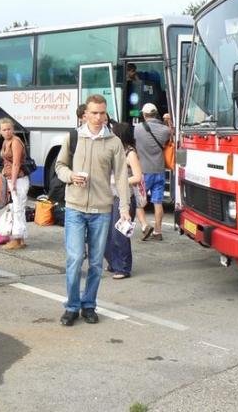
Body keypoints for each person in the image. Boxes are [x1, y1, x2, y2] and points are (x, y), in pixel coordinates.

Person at [55, 94, 131, 326]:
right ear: (85, 114)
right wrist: (70, 176)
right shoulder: (73, 137)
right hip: (75, 208)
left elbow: (120, 176)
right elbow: (59, 166)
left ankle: (89, 305)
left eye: (102, 113)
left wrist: (125, 207)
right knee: (76, 258)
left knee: (96, 263)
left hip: (102, 209)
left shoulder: (114, 142)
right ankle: (71, 306)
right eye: (94, 113)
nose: (99, 117)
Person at [104, 122, 143, 279]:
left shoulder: (130, 153)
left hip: (126, 198)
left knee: (120, 234)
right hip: (110, 197)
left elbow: (138, 176)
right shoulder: (115, 151)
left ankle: (124, 267)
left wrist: (118, 181)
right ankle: (114, 262)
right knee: (107, 234)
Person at [134, 103, 171, 241]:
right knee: (158, 202)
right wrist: (168, 121)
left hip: (143, 171)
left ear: (144, 114)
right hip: (160, 170)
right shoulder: (165, 130)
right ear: (156, 114)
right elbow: (172, 136)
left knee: (138, 201)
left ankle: (145, 226)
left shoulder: (137, 129)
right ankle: (158, 231)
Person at [0, 118, 29, 249]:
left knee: (17, 209)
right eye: (4, 129)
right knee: (15, 208)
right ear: (0, 131)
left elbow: (16, 163)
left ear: (13, 129)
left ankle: (16, 239)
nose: (7, 132)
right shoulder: (6, 141)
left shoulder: (15, 142)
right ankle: (20, 238)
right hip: (10, 177)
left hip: (19, 179)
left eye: (9, 129)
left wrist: (14, 182)